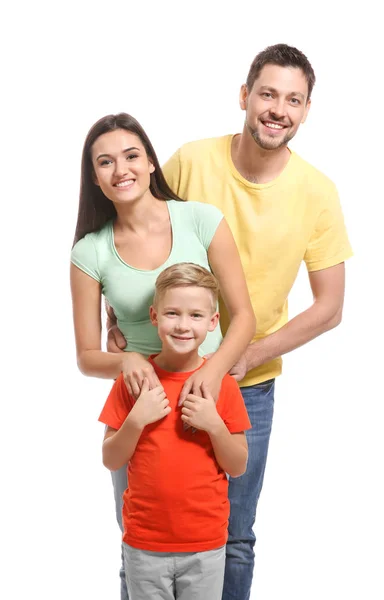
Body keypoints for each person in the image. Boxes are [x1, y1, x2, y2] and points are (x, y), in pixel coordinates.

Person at [107, 44, 353, 599]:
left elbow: (330, 305)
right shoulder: (192, 161)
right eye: (268, 93)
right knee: (139, 534)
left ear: (307, 110)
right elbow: (133, 235)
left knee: (234, 538)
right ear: (245, 97)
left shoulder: (318, 192)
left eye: (294, 99)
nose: (278, 109)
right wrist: (114, 320)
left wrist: (245, 356)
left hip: (248, 385)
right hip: (161, 377)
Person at [70, 113, 255, 598]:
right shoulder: (91, 251)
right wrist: (126, 361)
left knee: (223, 535)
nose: (120, 169)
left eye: (131, 155)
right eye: (104, 162)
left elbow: (243, 317)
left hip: (207, 393)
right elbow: (88, 355)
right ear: (94, 177)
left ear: (151, 161)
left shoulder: (200, 219)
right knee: (140, 541)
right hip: (141, 403)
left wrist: (212, 375)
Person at [99, 263, 251, 600]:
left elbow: (238, 465)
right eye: (172, 313)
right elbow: (110, 459)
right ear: (154, 316)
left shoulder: (223, 387)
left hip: (205, 546)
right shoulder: (134, 381)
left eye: (196, 315)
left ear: (213, 323)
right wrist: (136, 420)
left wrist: (213, 424)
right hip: (144, 545)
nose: (183, 325)